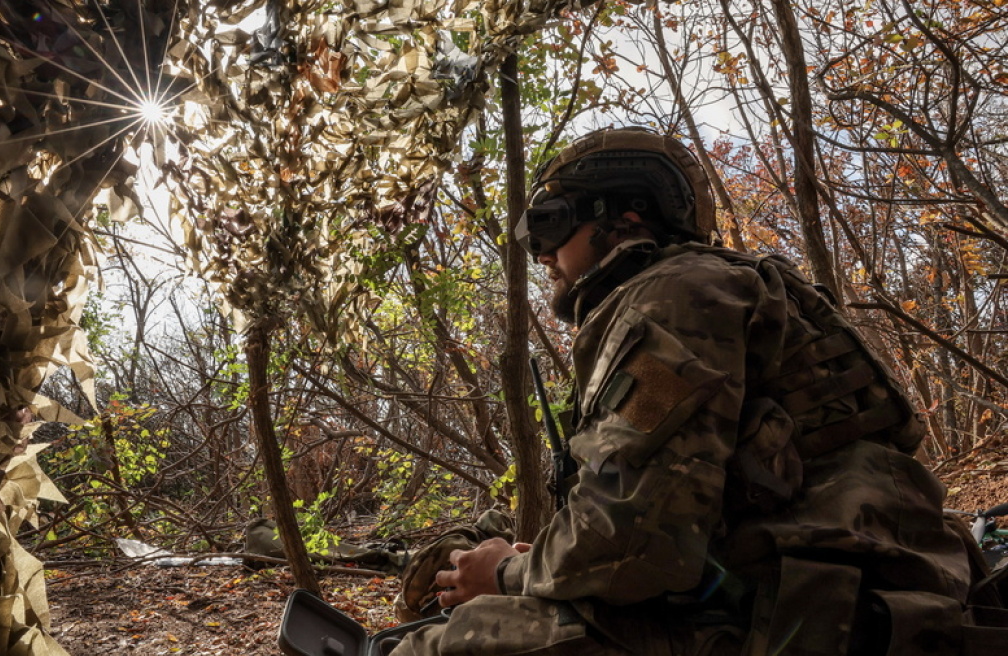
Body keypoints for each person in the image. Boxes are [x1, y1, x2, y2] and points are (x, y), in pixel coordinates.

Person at [390, 127, 972, 655]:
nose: (540, 252)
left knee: (449, 643)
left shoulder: (673, 297)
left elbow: (634, 545)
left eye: (550, 222)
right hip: (849, 598)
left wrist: (503, 575)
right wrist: (541, 562)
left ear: (624, 217)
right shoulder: (722, 286)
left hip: (809, 620)